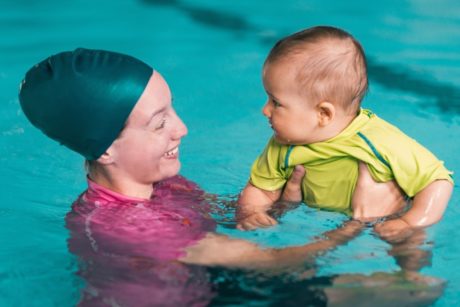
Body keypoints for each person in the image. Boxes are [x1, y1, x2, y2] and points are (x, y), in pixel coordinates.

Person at [19, 48, 378, 306]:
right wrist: (359, 223)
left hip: (203, 283)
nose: (182, 129)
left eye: (172, 109)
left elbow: (229, 221)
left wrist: (282, 204)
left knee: (398, 291)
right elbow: (272, 261)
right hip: (196, 292)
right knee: (399, 293)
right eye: (160, 123)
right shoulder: (124, 226)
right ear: (104, 150)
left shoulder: (164, 185)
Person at [236, 26, 454, 243]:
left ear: (323, 113)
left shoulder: (379, 142)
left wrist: (410, 222)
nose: (265, 110)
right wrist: (252, 212)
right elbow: (261, 190)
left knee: (410, 247)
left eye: (276, 102)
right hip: (324, 227)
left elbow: (437, 181)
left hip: (391, 218)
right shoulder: (282, 147)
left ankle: (412, 274)